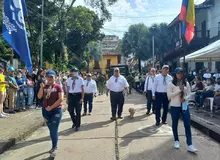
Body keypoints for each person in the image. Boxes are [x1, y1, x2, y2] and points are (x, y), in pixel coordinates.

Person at [167, 67, 198, 153]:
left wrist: (185, 98)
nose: (180, 75)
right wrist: (178, 91)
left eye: (181, 73)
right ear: (175, 74)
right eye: (178, 73)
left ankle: (190, 144)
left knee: (187, 124)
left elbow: (189, 94)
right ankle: (176, 140)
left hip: (184, 105)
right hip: (174, 106)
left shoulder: (186, 83)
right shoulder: (171, 84)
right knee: (175, 123)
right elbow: (169, 96)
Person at [37, 70, 63, 158]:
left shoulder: (58, 87)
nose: (50, 78)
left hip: (56, 111)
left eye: (51, 77)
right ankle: (54, 144)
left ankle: (54, 147)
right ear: (46, 77)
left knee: (53, 129)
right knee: (50, 128)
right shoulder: (44, 86)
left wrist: (51, 107)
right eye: (48, 77)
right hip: (45, 111)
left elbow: (60, 99)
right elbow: (39, 97)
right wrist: (41, 88)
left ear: (55, 77)